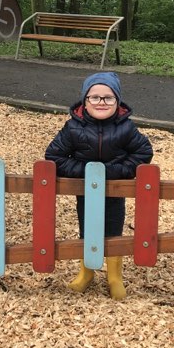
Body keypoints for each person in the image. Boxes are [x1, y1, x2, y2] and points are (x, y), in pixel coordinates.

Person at [45, 72, 153, 300]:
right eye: (94, 97)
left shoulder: (125, 128)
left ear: (118, 101)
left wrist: (115, 172)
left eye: (108, 98)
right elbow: (54, 156)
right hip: (86, 191)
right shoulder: (73, 128)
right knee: (88, 228)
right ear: (85, 101)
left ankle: (115, 276)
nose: (101, 102)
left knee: (113, 229)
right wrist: (86, 171)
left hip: (115, 191)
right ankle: (86, 272)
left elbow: (143, 152)